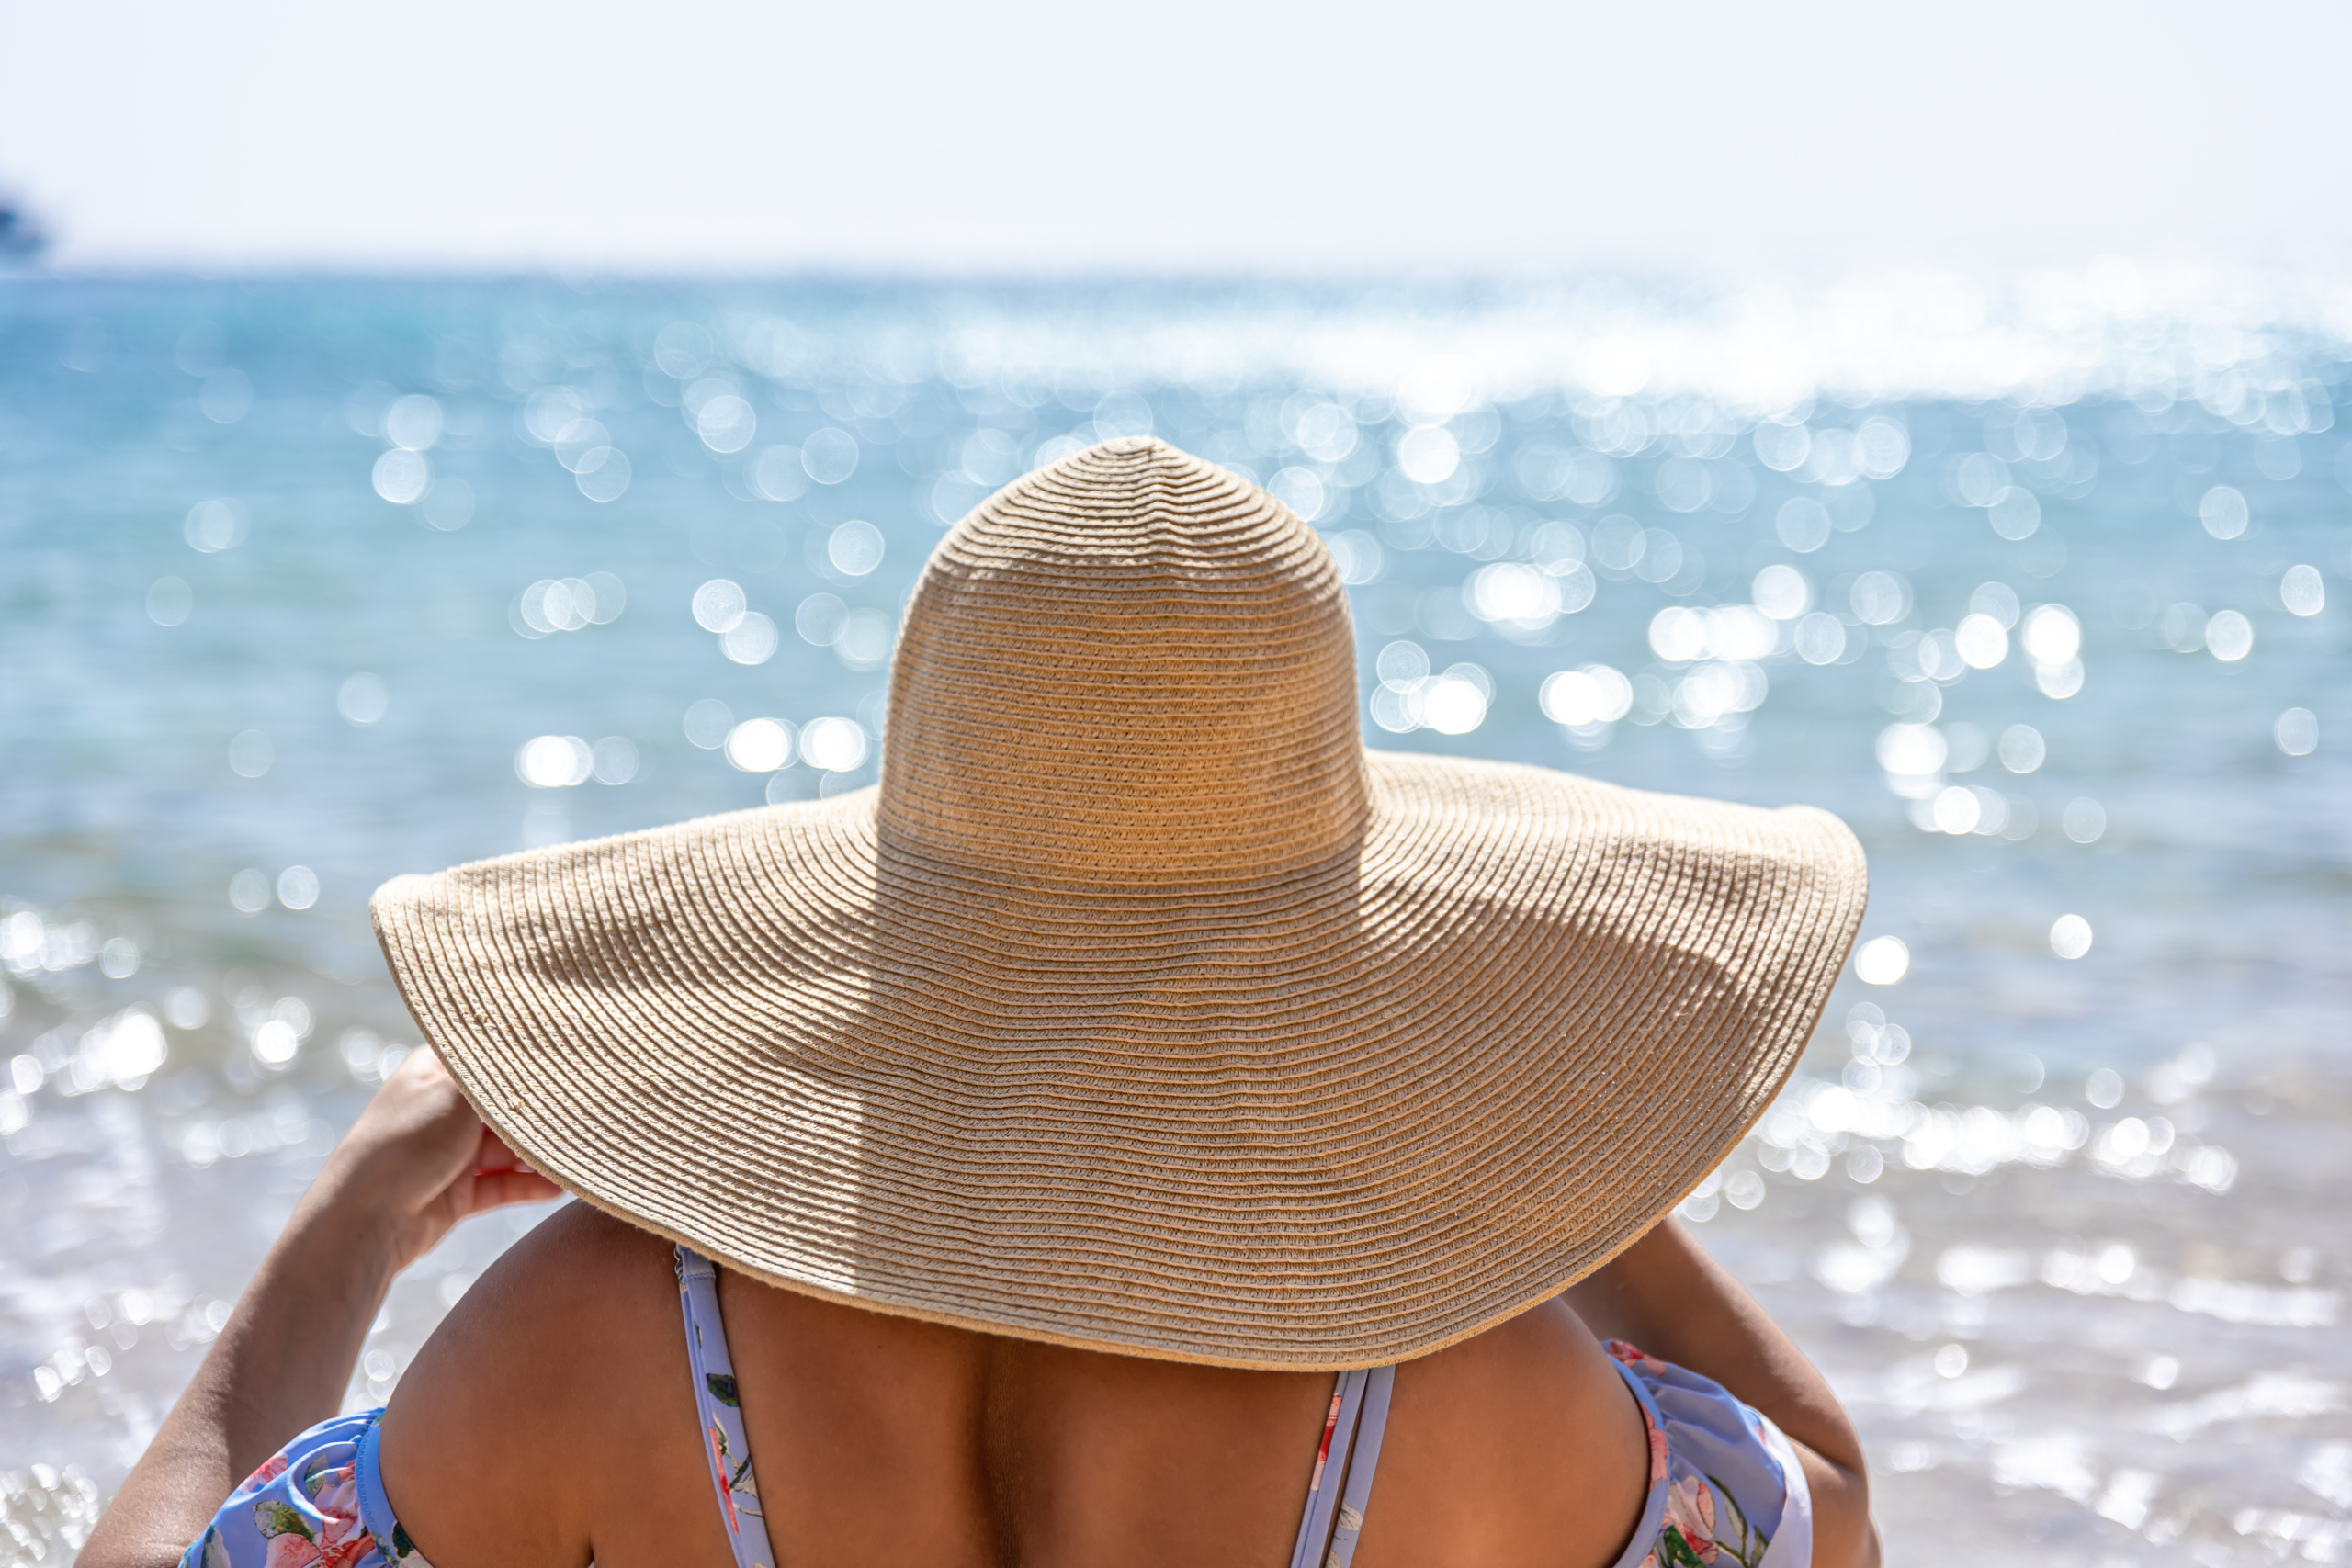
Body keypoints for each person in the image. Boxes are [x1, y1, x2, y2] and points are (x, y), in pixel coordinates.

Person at [85, 438, 1881, 1568]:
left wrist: (342, 1230)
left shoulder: (600, 1336)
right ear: (1363, 982)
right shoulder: (1480, 1405)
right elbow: (1831, 1511)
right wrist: (1515, 1156)